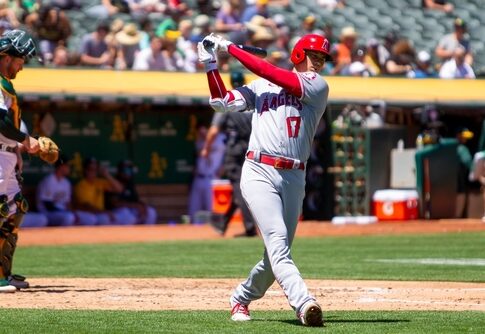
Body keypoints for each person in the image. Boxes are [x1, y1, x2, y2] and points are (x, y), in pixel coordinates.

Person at [198, 32, 331, 326]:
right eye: (314, 56)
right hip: (259, 169)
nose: (318, 63)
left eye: (322, 59)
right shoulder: (261, 86)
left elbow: (267, 69)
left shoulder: (317, 86)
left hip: (295, 175)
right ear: (298, 54)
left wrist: (230, 48)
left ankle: (241, 298)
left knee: (275, 258)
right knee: (278, 242)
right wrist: (211, 64)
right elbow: (221, 101)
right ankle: (305, 303)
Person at [0, 29, 41, 292]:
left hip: (6, 155)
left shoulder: (5, 84)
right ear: (5, 56)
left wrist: (17, 150)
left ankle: (4, 272)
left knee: (15, 209)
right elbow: (0, 123)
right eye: (20, 60)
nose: (21, 66)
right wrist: (25, 141)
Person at [203, 71, 257, 237]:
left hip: (234, 150)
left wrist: (206, 148)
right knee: (242, 187)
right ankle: (222, 221)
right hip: (251, 149)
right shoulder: (253, 102)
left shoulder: (228, 101)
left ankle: (249, 228)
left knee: (239, 188)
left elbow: (213, 131)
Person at [73, 157, 137, 225]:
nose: (93, 172)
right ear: (85, 170)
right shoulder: (81, 185)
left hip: (100, 213)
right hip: (88, 213)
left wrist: (106, 175)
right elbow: (86, 206)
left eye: (95, 170)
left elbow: (119, 189)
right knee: (99, 219)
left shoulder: (99, 182)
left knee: (126, 215)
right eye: (91, 169)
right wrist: (103, 212)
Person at [36, 155, 97, 227]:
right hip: (48, 213)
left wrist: (73, 212)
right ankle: (61, 236)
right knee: (69, 217)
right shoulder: (49, 181)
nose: (69, 168)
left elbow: (67, 203)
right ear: (61, 166)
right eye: (68, 166)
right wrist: (67, 212)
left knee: (91, 218)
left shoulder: (66, 183)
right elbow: (48, 205)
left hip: (64, 212)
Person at [187, 123, 226, 224]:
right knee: (193, 209)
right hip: (199, 178)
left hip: (212, 178)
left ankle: (212, 233)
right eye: (200, 132)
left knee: (212, 209)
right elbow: (202, 153)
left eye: (204, 131)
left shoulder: (221, 139)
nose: (202, 133)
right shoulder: (199, 142)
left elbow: (229, 152)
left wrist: (224, 166)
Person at [106, 160, 158, 225]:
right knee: (128, 216)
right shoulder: (114, 183)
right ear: (120, 171)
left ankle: (147, 234)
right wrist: (135, 205)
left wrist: (142, 206)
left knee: (151, 212)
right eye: (126, 170)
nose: (128, 172)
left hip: (129, 210)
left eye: (130, 170)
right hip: (115, 211)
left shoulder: (129, 183)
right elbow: (115, 204)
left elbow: (135, 200)